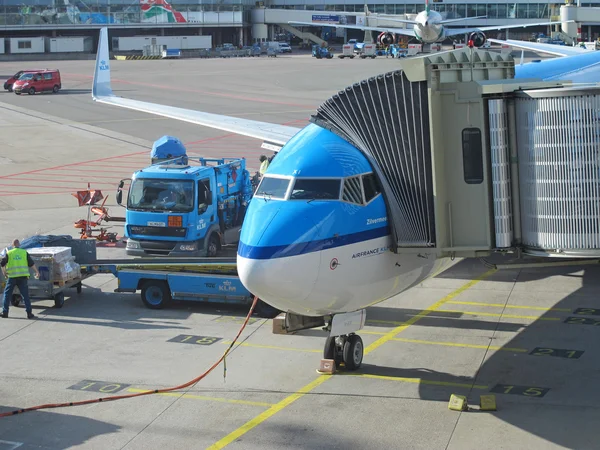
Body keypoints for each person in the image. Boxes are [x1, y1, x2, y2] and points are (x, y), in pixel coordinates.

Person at [1, 239, 40, 319]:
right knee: (25, 295)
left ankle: (5, 312)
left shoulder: (9, 253)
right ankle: (29, 313)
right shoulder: (24, 252)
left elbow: (2, 264)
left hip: (12, 278)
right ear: (19, 245)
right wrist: (37, 272)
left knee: (7, 294)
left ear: (13, 245)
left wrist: (4, 273)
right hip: (23, 278)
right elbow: (31, 264)